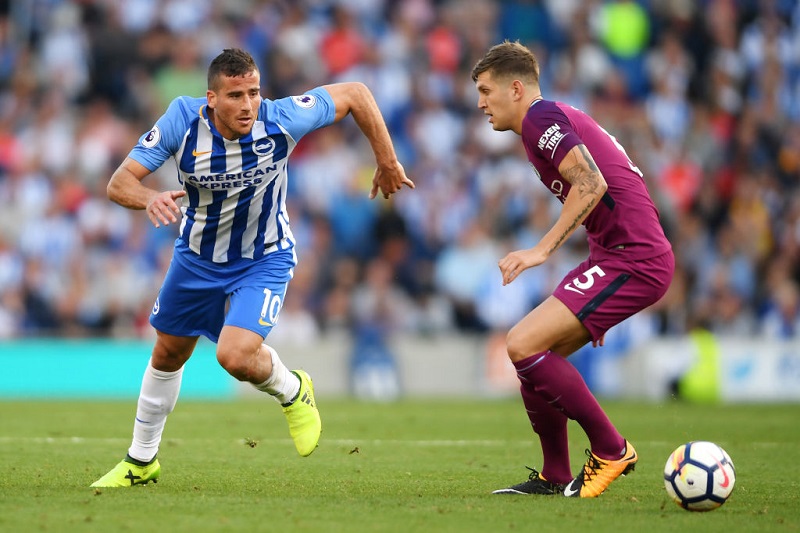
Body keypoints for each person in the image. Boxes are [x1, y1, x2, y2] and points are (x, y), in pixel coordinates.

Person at [91, 48, 414, 487]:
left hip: (264, 257)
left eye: (254, 93)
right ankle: (141, 461)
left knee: (235, 356)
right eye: (235, 95)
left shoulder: (281, 119)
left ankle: (293, 390)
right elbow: (119, 183)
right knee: (168, 353)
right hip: (197, 257)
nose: (248, 105)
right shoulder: (181, 121)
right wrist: (150, 198)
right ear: (211, 99)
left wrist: (387, 160)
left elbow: (356, 93)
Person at [471, 41, 674, 498]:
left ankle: (612, 449)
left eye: (485, 91)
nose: (480, 103)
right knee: (534, 353)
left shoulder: (540, 119)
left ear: (516, 89)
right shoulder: (545, 122)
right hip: (614, 254)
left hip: (634, 257)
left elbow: (591, 183)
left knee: (522, 343)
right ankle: (555, 475)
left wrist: (541, 250)